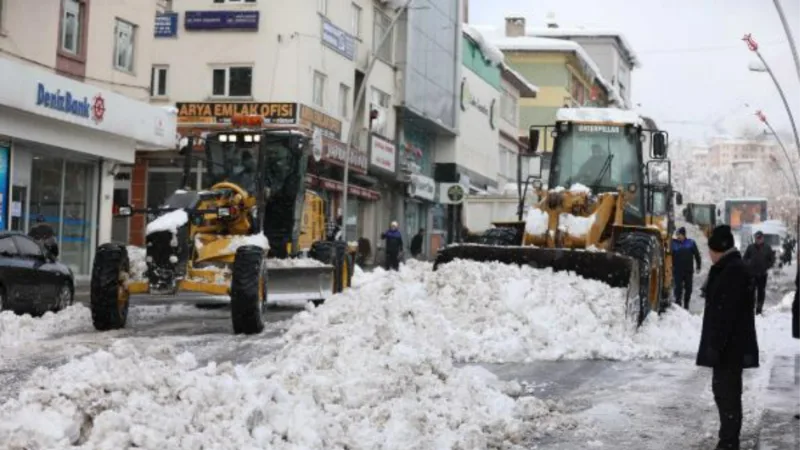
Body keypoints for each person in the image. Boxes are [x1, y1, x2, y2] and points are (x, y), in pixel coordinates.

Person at [697, 225, 759, 450]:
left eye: (710, 250)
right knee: (725, 393)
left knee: (727, 395)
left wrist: (716, 346)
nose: (709, 255)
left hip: (729, 348)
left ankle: (729, 443)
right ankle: (728, 439)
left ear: (719, 249)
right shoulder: (728, 268)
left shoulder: (732, 271)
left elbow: (727, 315)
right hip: (729, 346)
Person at [743, 230, 776, 315]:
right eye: (757, 238)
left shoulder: (767, 248)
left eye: (760, 238)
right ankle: (750, 308)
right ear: (755, 239)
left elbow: (772, 259)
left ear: (763, 238)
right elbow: (745, 258)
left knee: (761, 292)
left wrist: (766, 266)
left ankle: (759, 309)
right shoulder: (750, 247)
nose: (758, 240)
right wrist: (748, 264)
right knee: (751, 292)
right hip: (752, 274)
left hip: (762, 274)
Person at [671, 227, 702, 309]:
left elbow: (697, 255)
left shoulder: (691, 243)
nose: (678, 236)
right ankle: (678, 306)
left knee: (689, 289)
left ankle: (686, 305)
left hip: (688, 271)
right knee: (678, 289)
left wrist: (698, 266)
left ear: (684, 235)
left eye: (679, 235)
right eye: (677, 235)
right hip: (677, 271)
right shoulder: (673, 243)